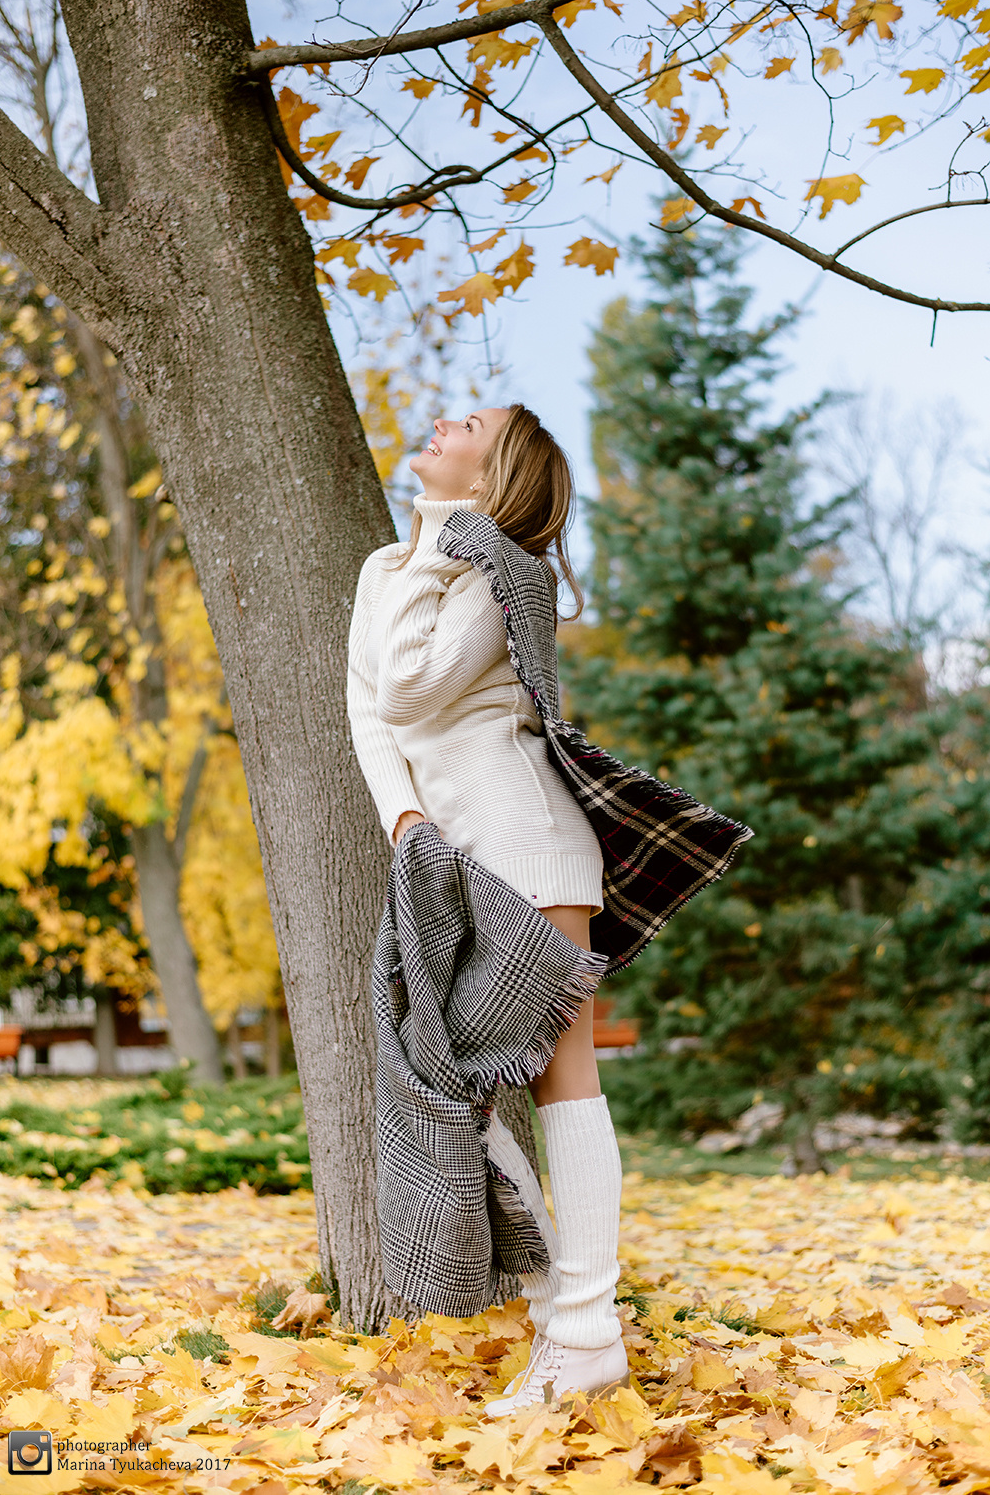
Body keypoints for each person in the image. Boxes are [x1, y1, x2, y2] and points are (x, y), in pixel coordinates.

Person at [346, 403, 629, 1414]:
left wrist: (441, 542)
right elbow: (367, 719)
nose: (434, 420)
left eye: (462, 419)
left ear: (494, 465)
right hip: (453, 859)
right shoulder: (389, 571)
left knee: (559, 1081)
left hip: (530, 848)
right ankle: (573, 1308)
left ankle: (584, 1328)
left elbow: (414, 692)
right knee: (441, 1077)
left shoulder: (502, 569)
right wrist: (406, 825)